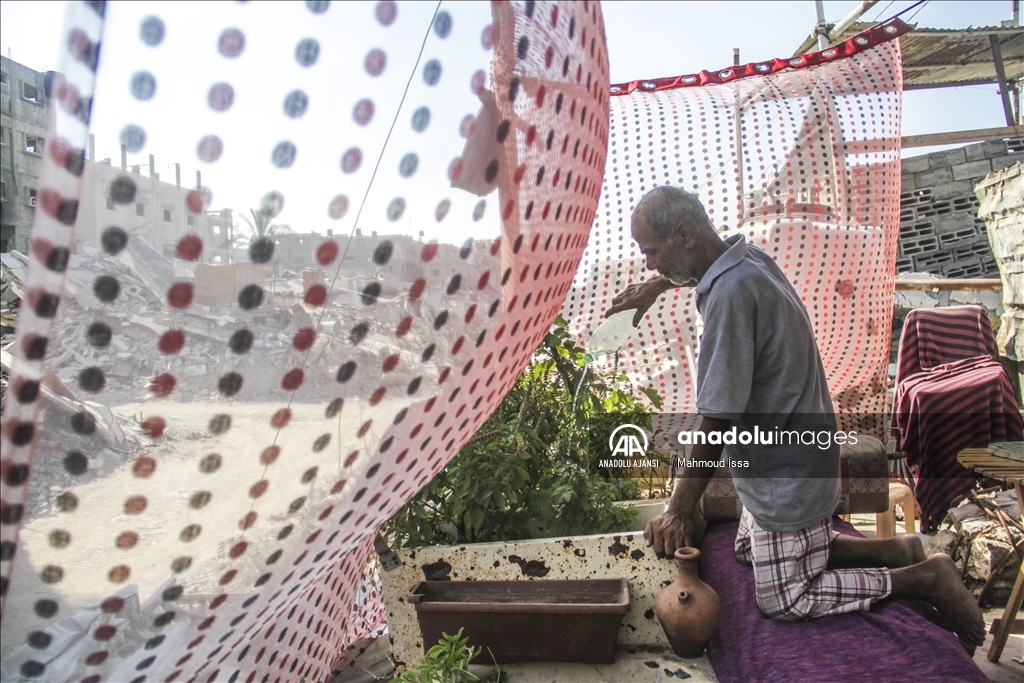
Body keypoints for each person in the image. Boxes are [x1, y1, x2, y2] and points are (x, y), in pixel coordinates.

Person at [606, 186, 986, 649]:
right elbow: (703, 259)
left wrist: (678, 510)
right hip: (795, 454)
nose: (649, 264)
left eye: (652, 253)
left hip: (788, 474)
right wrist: (660, 284)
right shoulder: (748, 259)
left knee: (785, 598)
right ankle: (896, 549)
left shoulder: (730, 295)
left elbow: (718, 419)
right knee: (747, 549)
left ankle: (924, 578)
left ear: (683, 234)